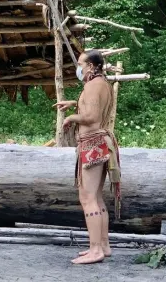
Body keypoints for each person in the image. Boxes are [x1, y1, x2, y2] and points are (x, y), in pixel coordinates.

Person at [54, 50, 121, 265]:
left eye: (81, 63)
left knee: (88, 198)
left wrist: (72, 117)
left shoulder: (93, 85)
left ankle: (95, 250)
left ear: (91, 66)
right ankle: (103, 245)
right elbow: (94, 106)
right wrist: (75, 103)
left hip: (93, 144)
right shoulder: (101, 83)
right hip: (99, 144)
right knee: (97, 197)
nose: (78, 67)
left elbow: (92, 117)